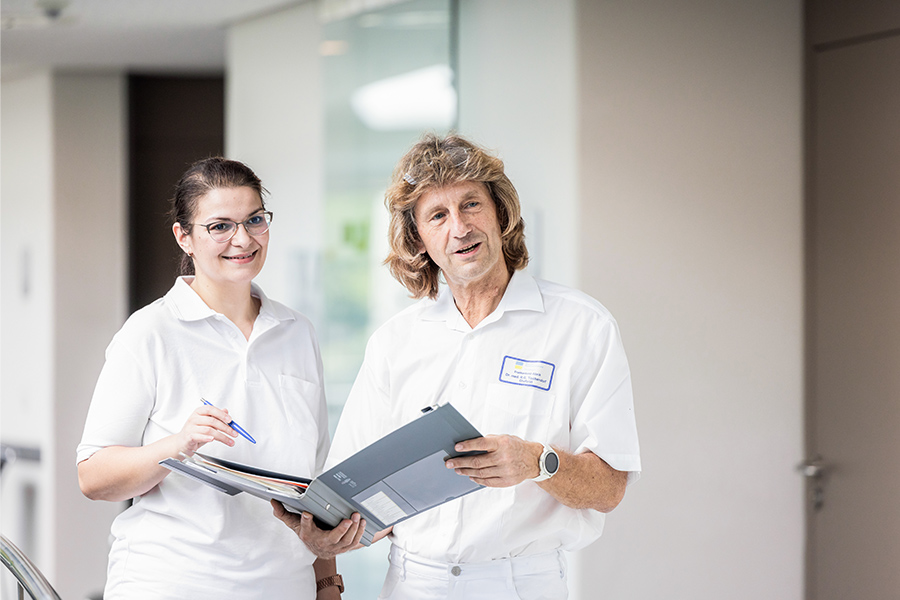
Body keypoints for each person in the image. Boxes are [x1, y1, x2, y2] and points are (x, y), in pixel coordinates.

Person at [275, 133, 641, 600]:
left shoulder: (581, 326)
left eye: (471, 205)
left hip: (522, 585)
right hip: (412, 584)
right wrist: (328, 536)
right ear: (419, 239)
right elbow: (359, 499)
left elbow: (609, 488)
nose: (460, 228)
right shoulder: (395, 341)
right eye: (438, 216)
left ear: (501, 214)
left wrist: (537, 462)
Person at [76, 157, 351, 599]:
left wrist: (328, 585)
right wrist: (177, 446)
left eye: (254, 220)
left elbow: (312, 482)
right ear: (184, 237)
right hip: (174, 582)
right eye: (220, 226)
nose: (243, 239)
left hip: (283, 586)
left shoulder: (297, 333)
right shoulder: (151, 332)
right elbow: (93, 476)